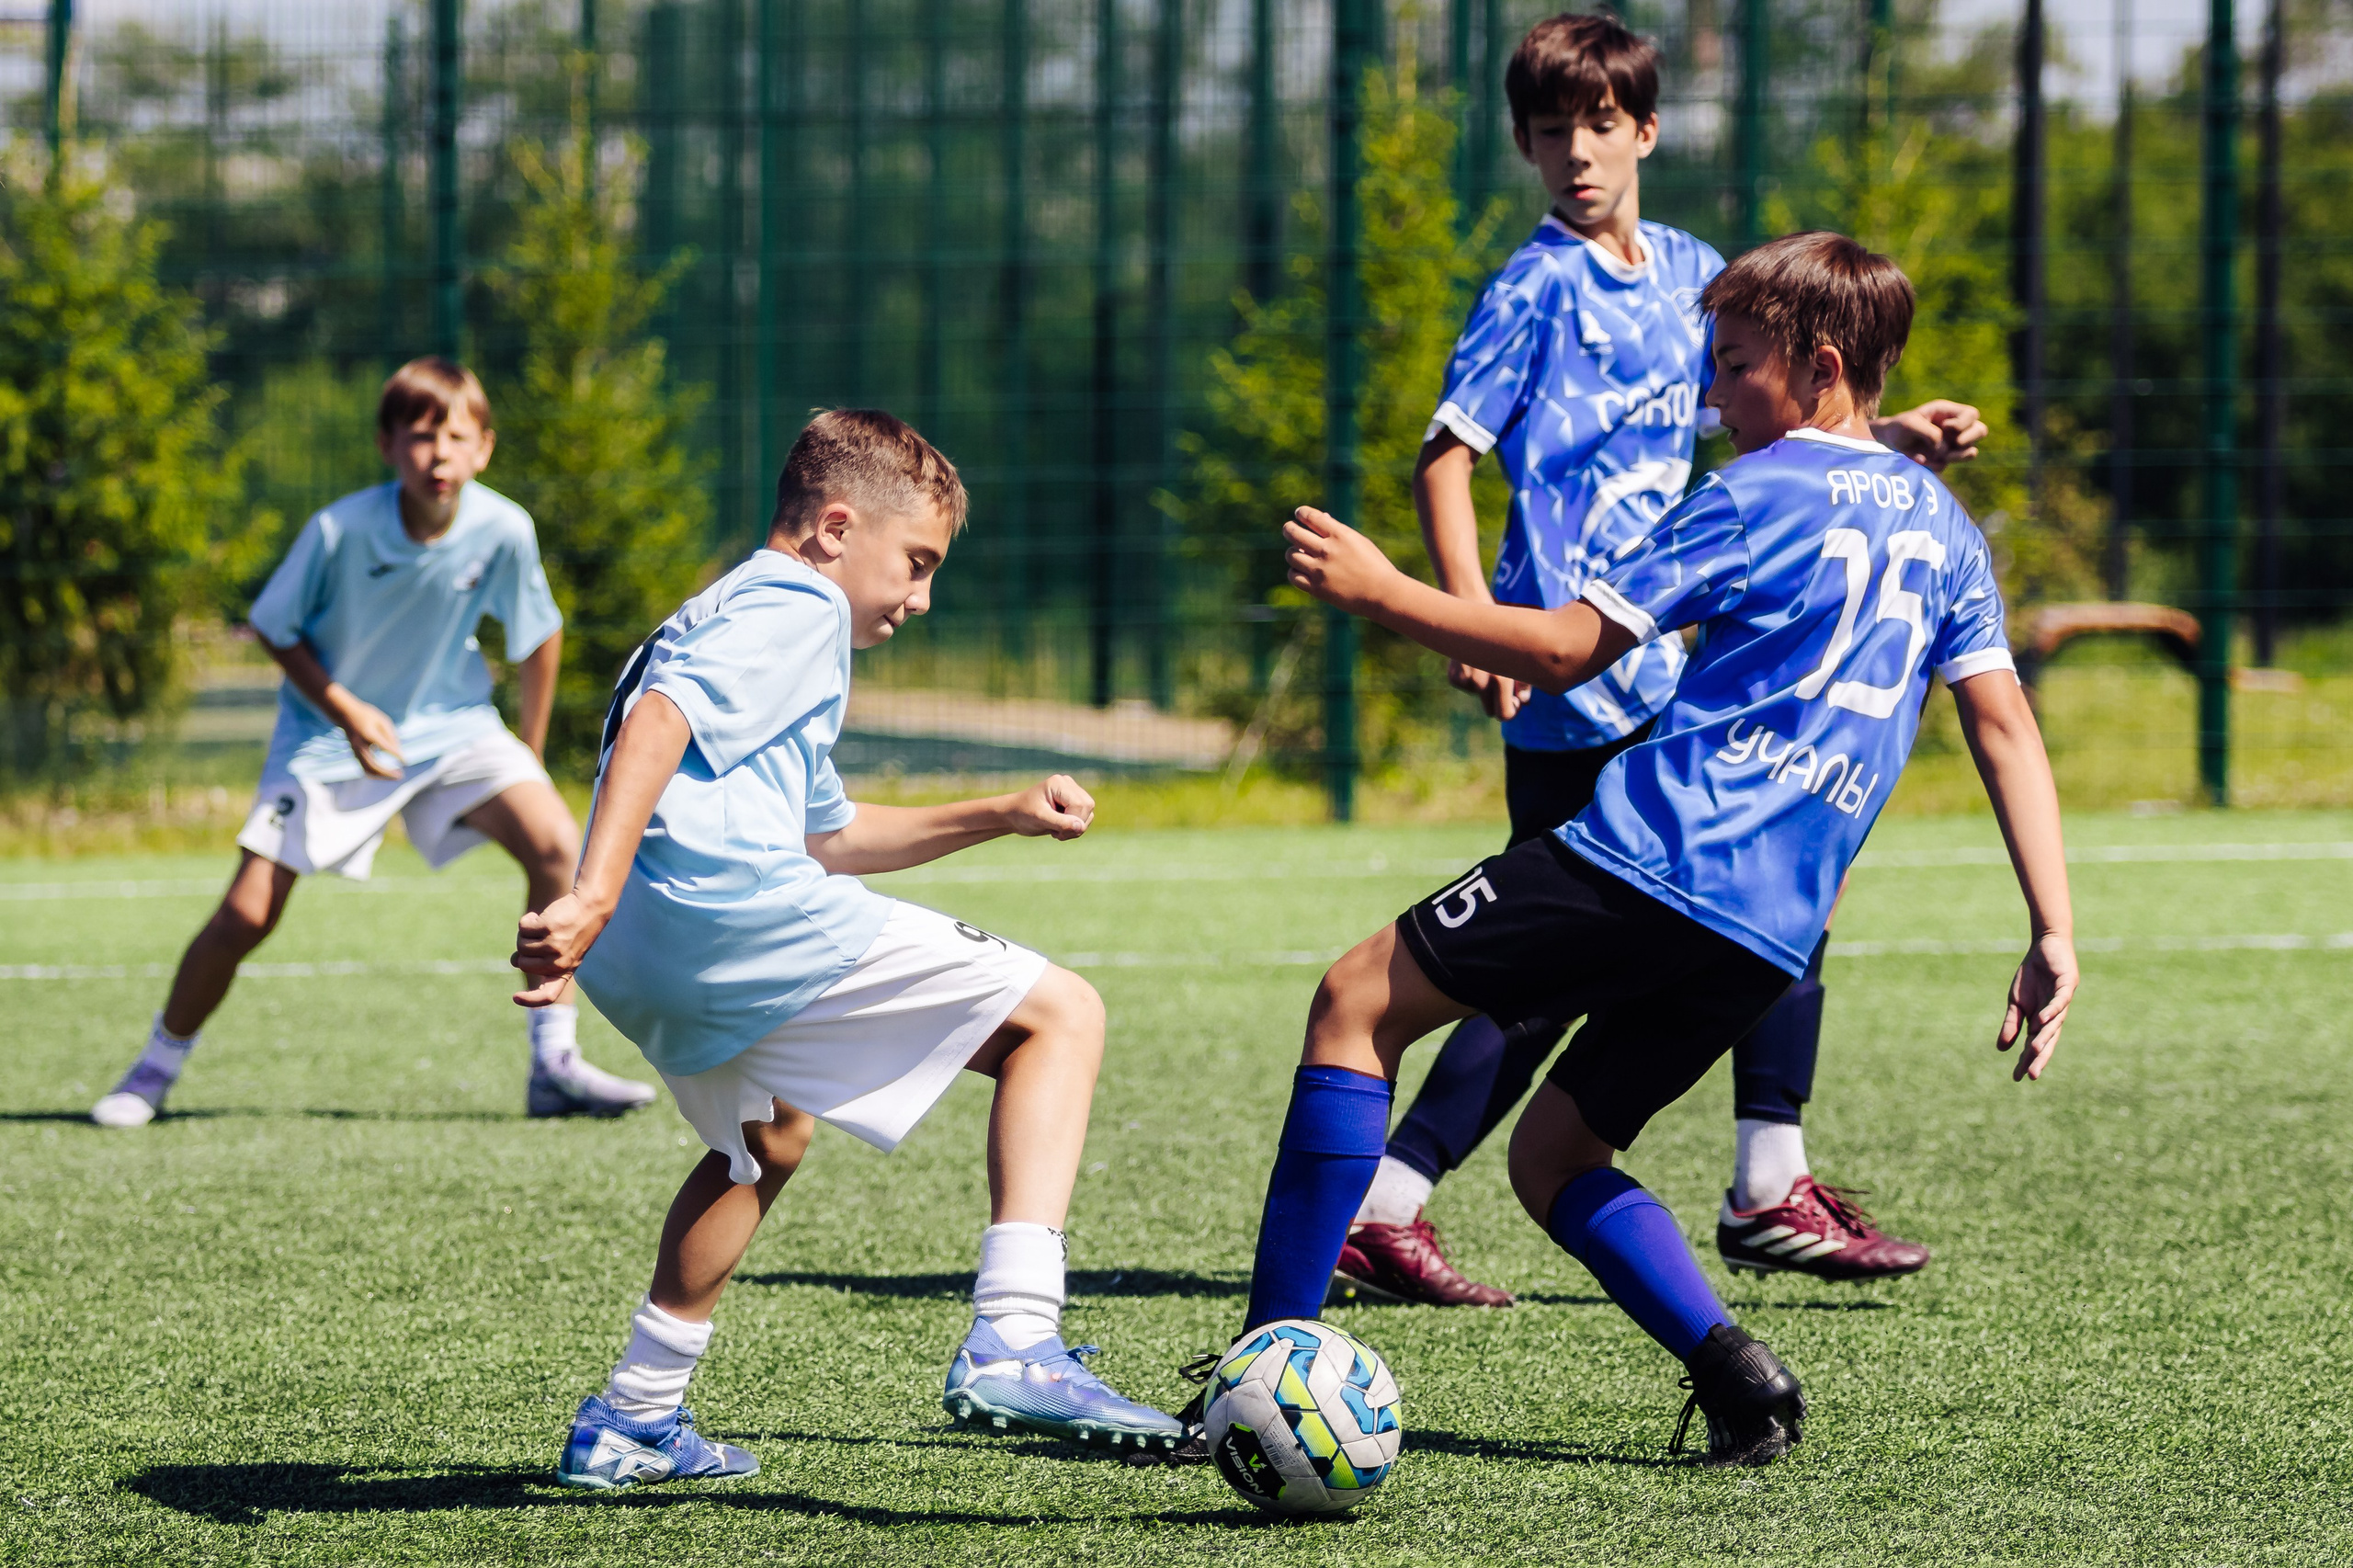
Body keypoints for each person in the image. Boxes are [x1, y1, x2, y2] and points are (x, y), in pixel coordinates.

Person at [1239, 232, 2077, 1465]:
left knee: (1356, 999)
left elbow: (1568, 648)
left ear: (1823, 368)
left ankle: (1265, 1366)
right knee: (1556, 1154)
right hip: (1772, 936)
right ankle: (1740, 1376)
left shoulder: (1745, 495)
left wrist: (1379, 592)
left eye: (1736, 367)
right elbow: (2003, 723)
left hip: (1646, 856)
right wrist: (2052, 925)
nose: (1714, 395)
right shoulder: (1946, 531)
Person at [1337, 11, 1985, 1309]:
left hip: (1684, 659)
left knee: (1781, 903)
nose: (1573, 153)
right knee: (1541, 970)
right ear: (1522, 144)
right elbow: (1447, 453)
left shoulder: (1695, 269)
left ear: (1644, 129)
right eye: (1546, 131)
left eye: (1596, 124)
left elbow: (1764, 413)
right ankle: (1386, 1203)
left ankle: (1768, 1178)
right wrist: (1470, 618)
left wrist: (1888, 435)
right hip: (1569, 663)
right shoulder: (1533, 285)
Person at [511, 411, 1185, 1491]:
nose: (920, 598)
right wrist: (584, 888)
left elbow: (829, 838)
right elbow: (663, 719)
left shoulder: (727, 611)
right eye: (915, 563)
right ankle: (1017, 1333)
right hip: (727, 919)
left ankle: (633, 1416)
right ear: (834, 526)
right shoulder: (794, 602)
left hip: (648, 956)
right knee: (1060, 1015)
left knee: (764, 1142)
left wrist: (999, 810)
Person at [90, 358, 654, 1130]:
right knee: (248, 915)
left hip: (454, 729)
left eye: (457, 437)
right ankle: (152, 1070)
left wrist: (527, 748)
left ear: (484, 448)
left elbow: (540, 635)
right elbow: (275, 628)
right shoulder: (338, 530)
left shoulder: (504, 528)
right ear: (389, 446)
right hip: (326, 739)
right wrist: (347, 710)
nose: (440, 455)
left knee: (559, 848)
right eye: (422, 437)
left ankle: (552, 1065)